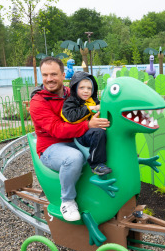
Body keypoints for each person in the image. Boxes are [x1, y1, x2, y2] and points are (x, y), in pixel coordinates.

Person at [29, 57, 110, 222]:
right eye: (45, 75)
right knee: (74, 157)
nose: (49, 79)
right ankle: (67, 201)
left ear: (63, 74)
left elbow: (90, 104)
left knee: (103, 140)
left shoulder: (71, 93)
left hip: (75, 138)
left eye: (53, 74)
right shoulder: (38, 102)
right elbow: (57, 130)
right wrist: (88, 125)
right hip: (52, 147)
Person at [61, 71, 112, 176]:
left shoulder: (94, 100)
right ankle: (96, 164)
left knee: (109, 128)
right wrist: (90, 109)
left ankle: (120, 151)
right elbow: (71, 117)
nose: (86, 91)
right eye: (82, 88)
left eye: (89, 88)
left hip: (91, 131)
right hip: (80, 134)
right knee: (98, 133)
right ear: (75, 88)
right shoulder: (71, 102)